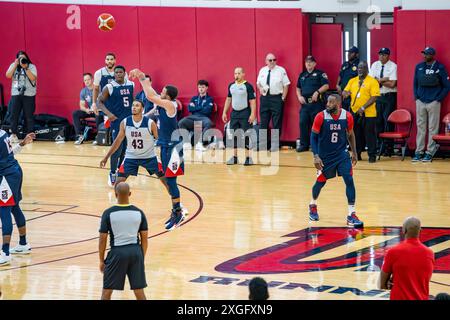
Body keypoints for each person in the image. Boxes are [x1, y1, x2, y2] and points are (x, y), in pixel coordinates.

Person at [100, 100, 180, 229]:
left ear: (142, 109)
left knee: (167, 182)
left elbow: (161, 138)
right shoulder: (125, 122)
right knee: (118, 185)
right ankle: (121, 210)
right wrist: (106, 157)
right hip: (131, 157)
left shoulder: (150, 123)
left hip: (150, 157)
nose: (134, 107)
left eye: (137, 105)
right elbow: (118, 141)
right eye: (133, 105)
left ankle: (177, 207)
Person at [129, 68, 186, 231]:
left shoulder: (169, 105)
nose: (160, 93)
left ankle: (178, 212)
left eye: (163, 92)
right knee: (168, 180)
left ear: (167, 96)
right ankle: (176, 210)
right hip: (165, 146)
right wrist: (143, 79)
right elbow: (152, 92)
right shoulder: (163, 103)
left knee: (172, 181)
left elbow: (149, 95)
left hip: (174, 148)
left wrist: (141, 77)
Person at [308, 94, 363, 228]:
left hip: (341, 154)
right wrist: (316, 156)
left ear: (338, 104)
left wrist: (354, 152)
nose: (328, 104)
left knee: (349, 179)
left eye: (331, 102)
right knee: (320, 183)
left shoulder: (347, 116)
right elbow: (313, 137)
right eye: (327, 102)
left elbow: (350, 134)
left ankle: (351, 214)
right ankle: (313, 204)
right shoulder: (320, 116)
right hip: (325, 156)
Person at [99, 182, 148, 300]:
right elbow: (145, 239)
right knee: (139, 291)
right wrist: (141, 257)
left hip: (117, 253)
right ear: (130, 194)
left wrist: (101, 261)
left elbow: (102, 239)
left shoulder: (108, 213)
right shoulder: (139, 212)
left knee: (107, 291)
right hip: (136, 252)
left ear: (115, 194)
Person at [0, 131, 35, 266]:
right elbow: (9, 154)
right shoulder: (2, 132)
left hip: (6, 177)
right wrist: (22, 143)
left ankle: (5, 253)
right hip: (15, 171)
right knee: (14, 207)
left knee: (4, 211)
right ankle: (23, 243)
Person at [379, 216, 435, 300]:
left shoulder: (393, 252)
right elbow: (425, 279)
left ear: (403, 230)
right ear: (420, 231)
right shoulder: (430, 254)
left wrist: (392, 281)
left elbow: (382, 284)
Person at [412, 46, 450, 162]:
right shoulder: (419, 67)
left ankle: (430, 152)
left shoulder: (440, 67)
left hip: (433, 102)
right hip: (421, 102)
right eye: (424, 53)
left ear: (432, 55)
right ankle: (419, 152)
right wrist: (416, 97)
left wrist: (438, 99)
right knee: (421, 127)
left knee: (433, 128)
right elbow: (415, 83)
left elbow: (447, 86)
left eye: (427, 54)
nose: (424, 56)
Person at [343, 61, 380, 163]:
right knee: (356, 134)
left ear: (367, 69)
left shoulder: (372, 81)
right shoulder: (352, 81)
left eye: (362, 68)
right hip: (355, 112)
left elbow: (374, 97)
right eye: (359, 68)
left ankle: (372, 156)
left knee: (369, 135)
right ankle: (356, 154)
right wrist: (345, 93)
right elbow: (345, 91)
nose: (360, 69)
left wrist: (363, 108)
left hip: (368, 113)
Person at [222, 67, 257, 166]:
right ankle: (234, 157)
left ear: (243, 74)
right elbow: (228, 99)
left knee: (246, 135)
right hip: (234, 114)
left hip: (245, 113)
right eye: (235, 73)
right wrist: (224, 112)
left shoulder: (248, 86)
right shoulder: (231, 86)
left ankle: (248, 158)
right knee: (233, 135)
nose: (237, 75)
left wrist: (253, 114)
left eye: (239, 73)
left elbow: (252, 101)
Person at [256, 53, 290, 151]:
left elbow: (286, 85)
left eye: (274, 60)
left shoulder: (281, 70)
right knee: (263, 123)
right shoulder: (262, 70)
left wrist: (283, 98)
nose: (272, 62)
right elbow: (258, 83)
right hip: (265, 98)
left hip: (276, 99)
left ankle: (274, 145)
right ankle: (263, 145)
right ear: (266, 61)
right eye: (270, 60)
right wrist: (260, 89)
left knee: (276, 123)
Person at [91, 53, 128, 144]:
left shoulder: (122, 72)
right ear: (105, 61)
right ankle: (107, 140)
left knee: (122, 125)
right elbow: (95, 89)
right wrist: (94, 103)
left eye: (111, 59)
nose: (109, 61)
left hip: (119, 103)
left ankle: (122, 143)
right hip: (106, 104)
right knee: (110, 125)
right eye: (107, 59)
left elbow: (125, 88)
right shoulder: (99, 73)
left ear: (115, 60)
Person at [296, 55, 329, 152]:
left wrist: (317, 92)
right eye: (307, 62)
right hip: (305, 104)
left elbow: (326, 85)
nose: (308, 63)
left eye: (310, 62)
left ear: (315, 64)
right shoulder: (302, 75)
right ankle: (304, 145)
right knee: (303, 123)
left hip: (316, 104)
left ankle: (317, 145)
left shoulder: (320, 73)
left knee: (317, 124)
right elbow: (298, 88)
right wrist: (299, 96)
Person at [5, 51, 37, 144]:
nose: (22, 60)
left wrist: (26, 67)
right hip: (16, 93)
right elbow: (8, 75)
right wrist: (15, 65)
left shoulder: (31, 66)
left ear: (27, 58)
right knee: (13, 115)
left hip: (29, 94)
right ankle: (14, 134)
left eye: (23, 58)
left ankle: (29, 136)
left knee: (28, 116)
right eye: (20, 58)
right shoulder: (14, 65)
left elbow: (33, 78)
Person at [369, 48, 397, 154]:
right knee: (378, 122)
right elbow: (371, 81)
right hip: (378, 96)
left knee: (388, 121)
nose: (381, 56)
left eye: (384, 55)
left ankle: (388, 148)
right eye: (380, 54)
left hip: (389, 96)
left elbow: (393, 84)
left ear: (388, 56)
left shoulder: (393, 66)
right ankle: (379, 146)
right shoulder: (374, 65)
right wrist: (385, 79)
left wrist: (379, 80)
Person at [179, 80, 214, 152]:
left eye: (203, 87)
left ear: (207, 88)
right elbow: (189, 109)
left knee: (209, 123)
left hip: (204, 118)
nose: (201, 89)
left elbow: (207, 111)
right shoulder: (194, 98)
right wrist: (202, 107)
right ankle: (186, 143)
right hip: (193, 117)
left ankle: (199, 143)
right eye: (199, 87)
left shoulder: (209, 99)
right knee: (181, 122)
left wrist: (195, 108)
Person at [72, 73, 95, 145]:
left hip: (99, 111)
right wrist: (86, 110)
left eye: (88, 79)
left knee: (98, 114)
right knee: (75, 113)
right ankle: (79, 136)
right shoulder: (83, 91)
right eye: (85, 80)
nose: (87, 81)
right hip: (90, 111)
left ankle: (98, 137)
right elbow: (81, 105)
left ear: (92, 79)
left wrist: (96, 108)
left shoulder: (98, 88)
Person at [337, 46, 360, 111]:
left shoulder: (359, 64)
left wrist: (350, 92)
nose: (349, 54)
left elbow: (361, 80)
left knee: (353, 113)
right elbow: (340, 75)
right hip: (343, 93)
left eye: (351, 53)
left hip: (353, 94)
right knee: (344, 112)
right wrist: (337, 85)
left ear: (356, 54)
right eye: (348, 52)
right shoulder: (345, 64)